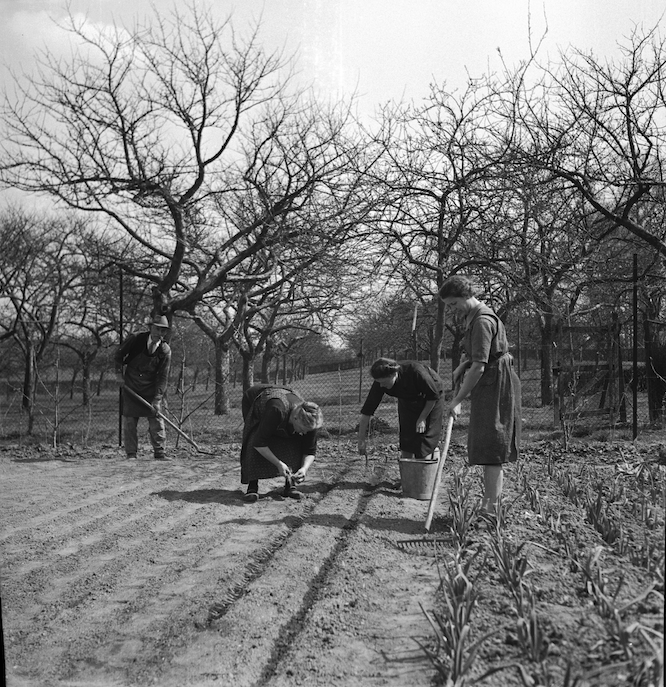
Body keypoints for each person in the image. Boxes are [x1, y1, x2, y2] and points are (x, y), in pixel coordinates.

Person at [439, 275, 521, 515]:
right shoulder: (474, 317)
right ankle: (488, 504)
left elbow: (480, 366)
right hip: (491, 380)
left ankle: (492, 508)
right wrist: (463, 365)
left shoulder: (482, 321)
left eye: (454, 304)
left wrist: (457, 400)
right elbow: (478, 358)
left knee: (492, 444)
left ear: (466, 296)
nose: (453, 310)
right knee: (486, 444)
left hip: (496, 383)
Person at [241, 384, 324, 502]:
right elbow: (259, 443)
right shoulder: (276, 410)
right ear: (295, 418)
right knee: (255, 436)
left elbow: (309, 449)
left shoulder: (311, 420)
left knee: (294, 442)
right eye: (303, 428)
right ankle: (252, 487)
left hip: (281, 406)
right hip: (255, 400)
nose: (305, 432)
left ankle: (290, 486)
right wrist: (278, 463)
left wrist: (304, 469)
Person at [358, 358, 445, 462]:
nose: (381, 386)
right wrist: (361, 441)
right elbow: (367, 411)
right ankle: (407, 470)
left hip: (432, 396)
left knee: (425, 438)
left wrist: (422, 418)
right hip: (408, 398)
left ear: (393, 375)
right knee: (407, 435)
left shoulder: (416, 372)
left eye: (384, 382)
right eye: (379, 383)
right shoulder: (380, 381)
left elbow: (432, 396)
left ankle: (425, 469)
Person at [114, 315, 172, 460]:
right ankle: (131, 454)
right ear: (151, 327)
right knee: (129, 421)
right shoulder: (136, 339)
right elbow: (118, 355)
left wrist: (157, 399)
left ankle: (160, 452)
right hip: (131, 386)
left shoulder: (165, 350)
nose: (160, 333)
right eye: (158, 329)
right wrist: (119, 375)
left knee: (156, 419)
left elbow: (163, 377)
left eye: (163, 331)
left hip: (150, 389)